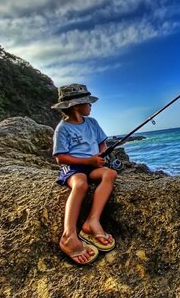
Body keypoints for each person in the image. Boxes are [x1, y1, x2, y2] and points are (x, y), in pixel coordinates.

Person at [51, 83, 117, 265]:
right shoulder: (62, 129)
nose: (91, 106)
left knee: (109, 174)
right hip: (74, 167)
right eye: (87, 103)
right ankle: (68, 235)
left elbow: (102, 143)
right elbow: (60, 158)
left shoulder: (92, 123)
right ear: (76, 106)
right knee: (80, 184)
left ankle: (92, 222)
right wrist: (87, 161)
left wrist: (101, 154)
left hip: (92, 165)